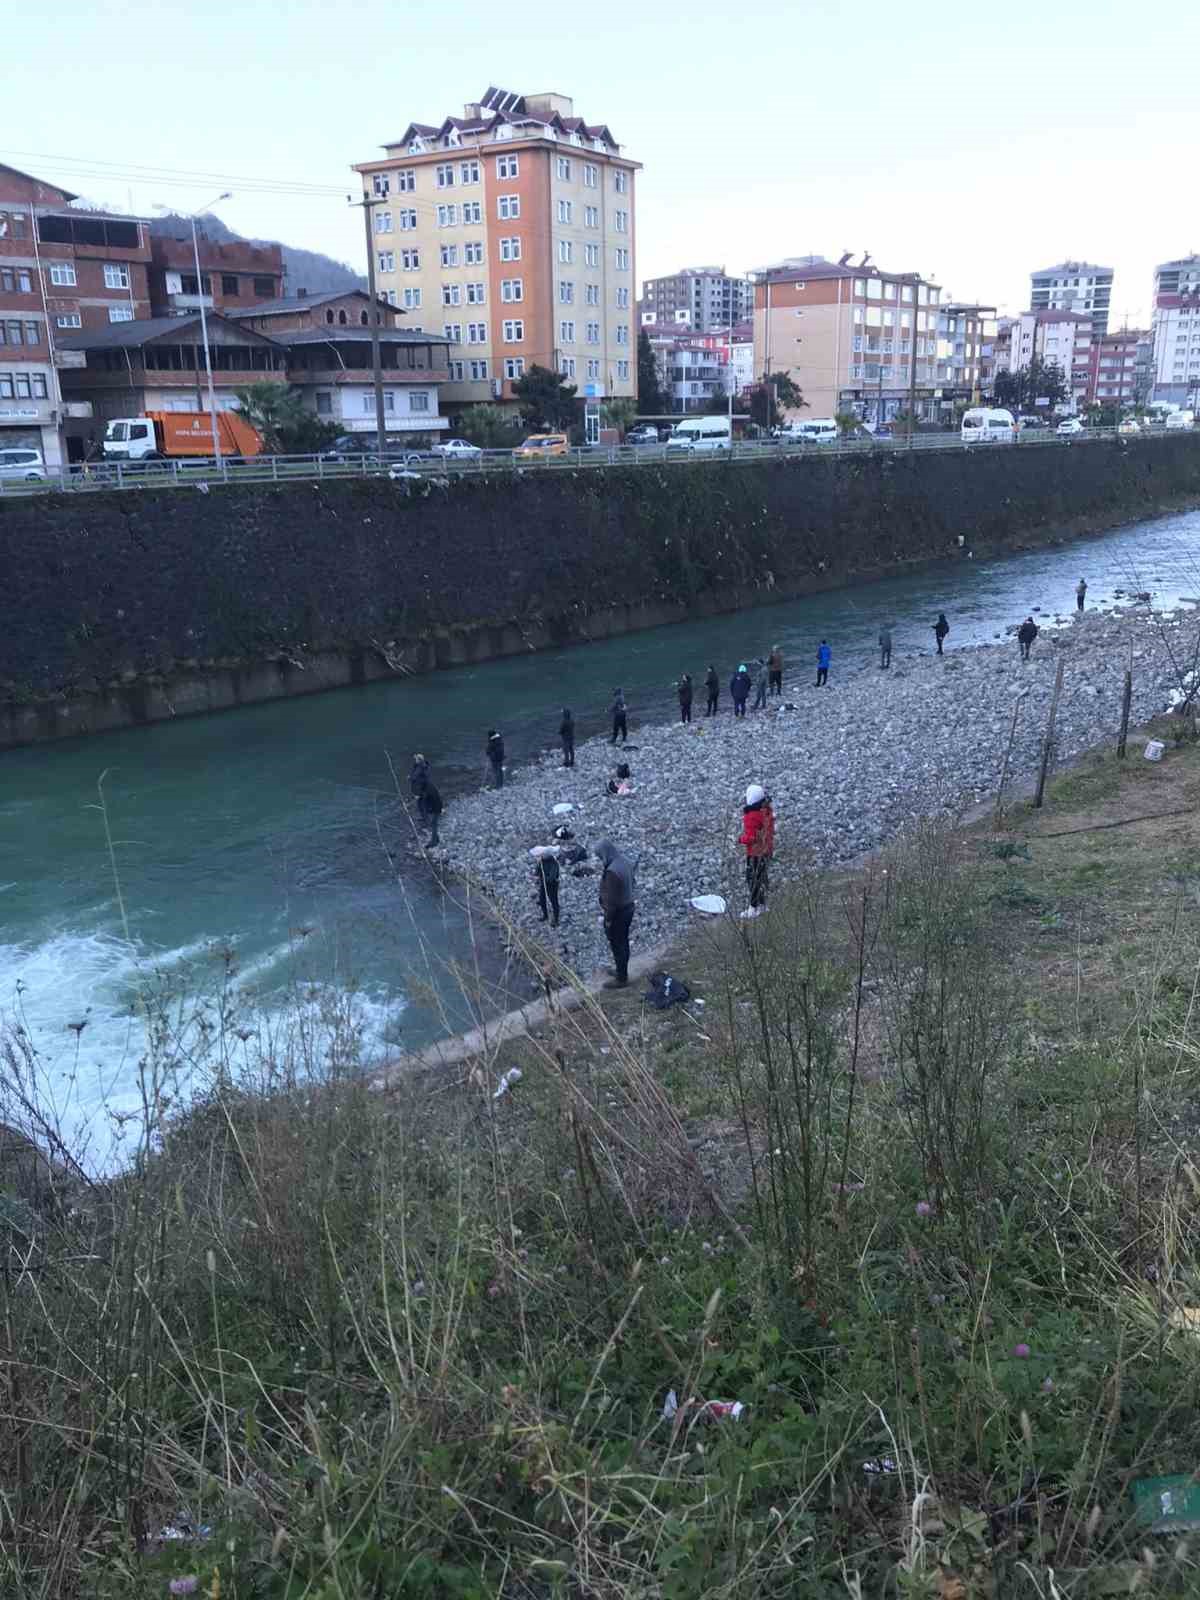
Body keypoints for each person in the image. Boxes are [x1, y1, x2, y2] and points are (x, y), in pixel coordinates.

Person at [596, 838, 636, 988]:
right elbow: (633, 881)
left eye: (600, 856)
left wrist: (608, 919)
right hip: (629, 907)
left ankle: (621, 978)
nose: (601, 859)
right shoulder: (624, 861)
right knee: (623, 941)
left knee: (617, 943)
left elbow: (611, 901)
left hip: (619, 912)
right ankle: (621, 971)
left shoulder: (612, 871)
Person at [739, 783, 775, 919]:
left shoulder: (751, 816)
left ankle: (753, 908)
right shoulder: (766, 811)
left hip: (755, 853)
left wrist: (740, 839)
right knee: (762, 878)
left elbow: (751, 837)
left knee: (752, 879)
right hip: (766, 851)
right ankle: (763, 905)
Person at [534, 849, 560, 927]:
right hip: (543, 884)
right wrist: (538, 867)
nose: (542, 856)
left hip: (552, 885)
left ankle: (556, 919)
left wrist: (543, 878)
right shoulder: (541, 862)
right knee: (542, 900)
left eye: (543, 855)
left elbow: (552, 877)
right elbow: (537, 872)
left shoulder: (554, 863)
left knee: (554, 901)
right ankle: (545, 915)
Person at [409, 753, 431, 833]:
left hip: (421, 791)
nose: (415, 760)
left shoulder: (420, 768)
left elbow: (415, 779)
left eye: (416, 759)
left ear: (419, 760)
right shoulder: (425, 766)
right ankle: (425, 819)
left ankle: (426, 822)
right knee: (423, 805)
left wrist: (417, 794)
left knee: (421, 805)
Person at [423, 779, 443, 847]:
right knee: (434, 824)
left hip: (435, 809)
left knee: (433, 824)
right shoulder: (430, 786)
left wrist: (428, 810)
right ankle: (436, 838)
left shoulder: (428, 790)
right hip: (437, 807)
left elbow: (428, 800)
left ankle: (434, 841)